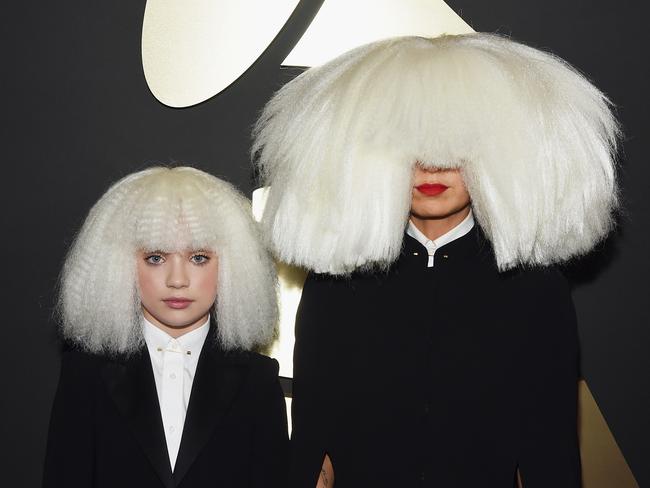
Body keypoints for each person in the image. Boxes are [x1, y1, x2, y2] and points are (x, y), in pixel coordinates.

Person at [252, 33, 620, 487]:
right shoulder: (336, 285)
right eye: (411, 148)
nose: (432, 167)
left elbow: (551, 447)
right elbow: (311, 443)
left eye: (454, 147)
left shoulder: (536, 289)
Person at [43, 166, 289, 488]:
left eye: (198, 257)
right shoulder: (85, 375)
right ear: (120, 264)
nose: (177, 280)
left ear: (231, 264)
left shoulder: (258, 380)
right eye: (156, 258)